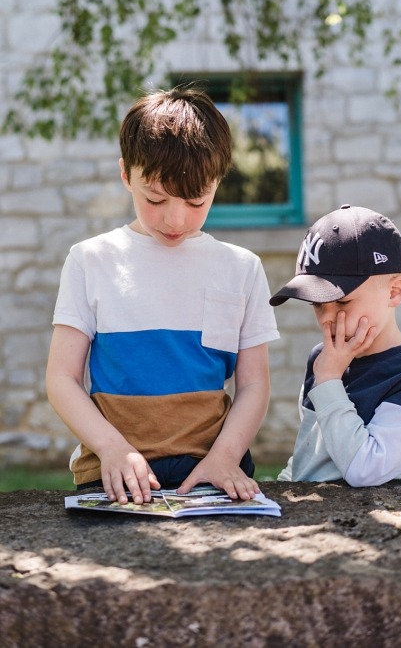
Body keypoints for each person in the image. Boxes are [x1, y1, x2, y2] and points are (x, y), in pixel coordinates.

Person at [46, 86, 280, 505]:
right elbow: (62, 378)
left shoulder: (242, 268)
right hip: (114, 472)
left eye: (196, 201)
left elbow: (253, 385)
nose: (175, 219)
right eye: (155, 198)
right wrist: (112, 449)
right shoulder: (89, 261)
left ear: (218, 182)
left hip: (215, 469)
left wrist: (225, 456)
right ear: (125, 174)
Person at [270, 205, 401, 487]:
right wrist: (281, 488)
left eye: (342, 302)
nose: (328, 318)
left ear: (394, 291)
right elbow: (309, 452)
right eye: (317, 304)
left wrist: (328, 381)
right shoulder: (322, 358)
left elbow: (366, 469)